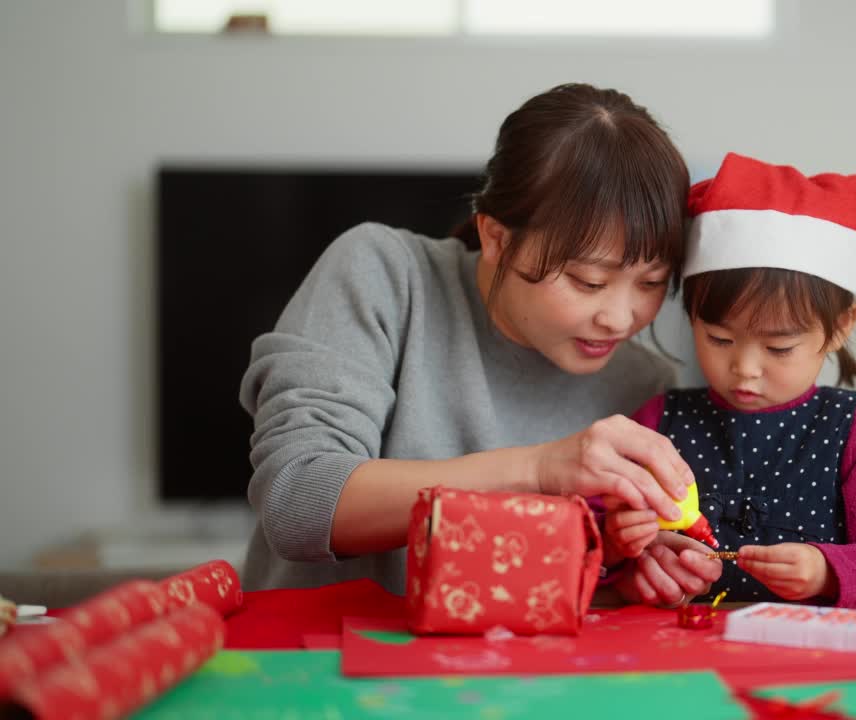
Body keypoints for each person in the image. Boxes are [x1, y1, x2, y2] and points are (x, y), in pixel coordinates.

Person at [238, 83, 723, 601]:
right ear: (496, 237)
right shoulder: (386, 274)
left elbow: (569, 588)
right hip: (314, 663)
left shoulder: (645, 385)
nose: (620, 318)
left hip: (513, 676)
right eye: (589, 281)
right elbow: (298, 503)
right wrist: (540, 470)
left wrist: (635, 566)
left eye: (651, 284)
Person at [604, 153, 856, 608]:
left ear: (841, 327)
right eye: (719, 339)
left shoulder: (850, 429)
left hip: (809, 662)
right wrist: (627, 548)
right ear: (691, 317)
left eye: (779, 348)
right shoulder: (659, 421)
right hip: (684, 655)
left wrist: (827, 571)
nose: (745, 368)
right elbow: (590, 534)